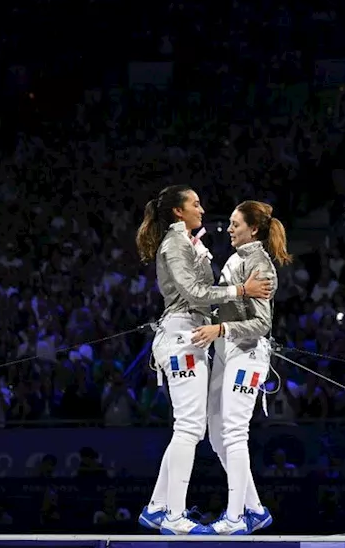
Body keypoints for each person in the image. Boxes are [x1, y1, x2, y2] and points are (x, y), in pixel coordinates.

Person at [135, 185, 274, 535]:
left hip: (205, 339)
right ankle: (173, 517)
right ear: (179, 211)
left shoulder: (194, 244)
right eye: (195, 203)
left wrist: (223, 323)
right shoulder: (176, 244)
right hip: (185, 337)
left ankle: (159, 507)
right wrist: (242, 291)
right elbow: (195, 294)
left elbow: (255, 317)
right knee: (190, 428)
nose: (202, 208)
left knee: (208, 431)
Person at [192, 200, 291, 535]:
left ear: (254, 229)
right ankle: (254, 509)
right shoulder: (237, 259)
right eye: (231, 223)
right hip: (225, 353)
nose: (230, 229)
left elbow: (261, 324)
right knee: (217, 436)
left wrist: (220, 329)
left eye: (236, 224)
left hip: (247, 354)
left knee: (234, 433)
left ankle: (234, 519)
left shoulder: (260, 265)